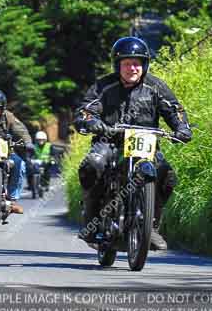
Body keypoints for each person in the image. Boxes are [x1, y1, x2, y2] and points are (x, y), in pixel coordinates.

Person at [73, 36, 192, 250]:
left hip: (145, 144)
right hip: (110, 142)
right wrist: (92, 122)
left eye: (137, 63)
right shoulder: (103, 86)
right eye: (127, 63)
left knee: (167, 175)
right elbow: (86, 110)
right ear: (117, 65)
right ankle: (91, 219)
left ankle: (151, 225)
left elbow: (175, 110)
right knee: (93, 165)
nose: (132, 68)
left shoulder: (155, 86)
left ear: (144, 65)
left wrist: (182, 128)